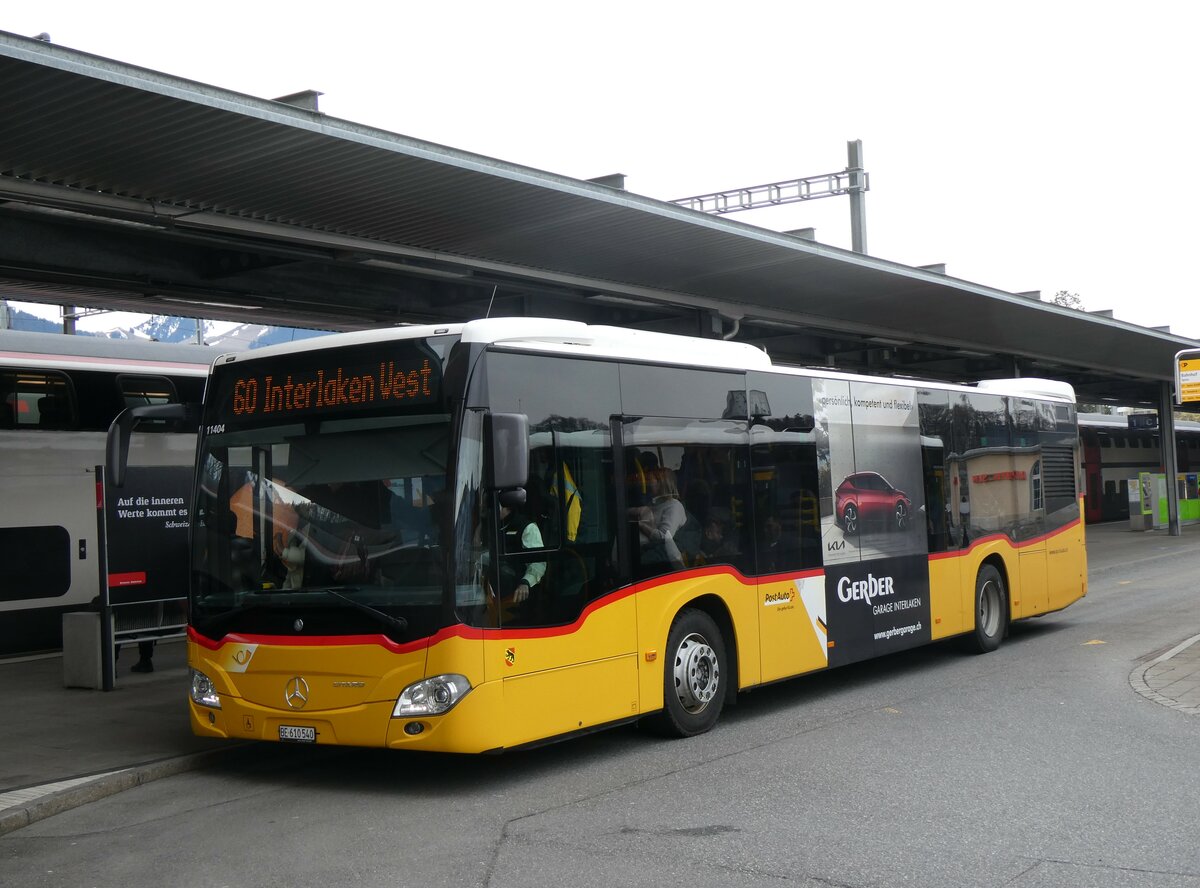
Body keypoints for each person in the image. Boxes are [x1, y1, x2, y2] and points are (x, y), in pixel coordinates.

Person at [632, 466, 686, 571]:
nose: (646, 484)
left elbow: (664, 537)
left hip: (660, 561)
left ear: (661, 483)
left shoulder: (674, 506)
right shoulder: (654, 504)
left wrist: (640, 525)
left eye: (650, 480)